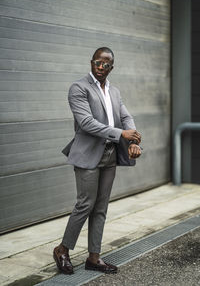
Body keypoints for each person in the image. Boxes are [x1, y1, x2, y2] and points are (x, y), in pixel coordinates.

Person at [53, 47, 142, 274]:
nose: (101, 68)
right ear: (91, 62)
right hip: (87, 154)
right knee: (85, 204)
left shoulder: (114, 91)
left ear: (111, 67)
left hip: (110, 154)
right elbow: (86, 123)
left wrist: (132, 140)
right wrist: (122, 134)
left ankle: (94, 257)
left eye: (106, 65)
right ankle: (63, 249)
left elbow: (126, 117)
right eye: (97, 63)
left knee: (101, 207)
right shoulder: (79, 88)